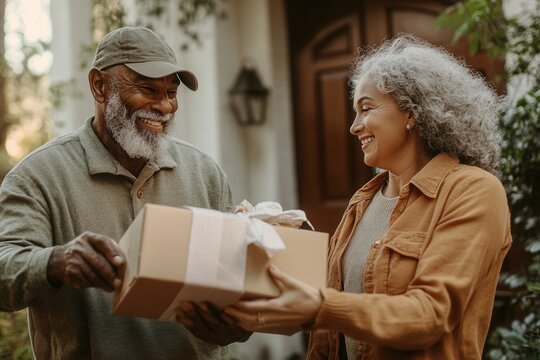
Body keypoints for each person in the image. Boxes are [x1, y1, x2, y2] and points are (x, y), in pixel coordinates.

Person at [224, 34, 512, 359]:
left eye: (366, 109)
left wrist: (320, 306)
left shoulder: (473, 190)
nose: (354, 127)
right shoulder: (363, 201)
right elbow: (328, 328)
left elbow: (429, 314)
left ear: (411, 112)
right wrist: (272, 241)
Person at [0, 26, 249, 359]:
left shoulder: (205, 172)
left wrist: (237, 324)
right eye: (147, 89)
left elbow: (233, 284)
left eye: (172, 92)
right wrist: (55, 262)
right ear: (100, 87)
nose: (164, 106)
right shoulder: (38, 175)